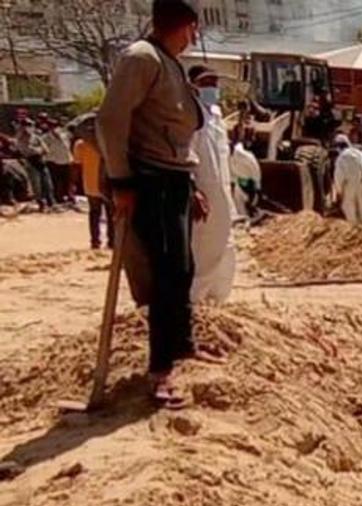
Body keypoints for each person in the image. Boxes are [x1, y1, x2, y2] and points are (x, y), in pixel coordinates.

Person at [97, 0, 208, 409]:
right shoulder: (142, 58)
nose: (195, 37)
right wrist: (121, 179)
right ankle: (160, 371)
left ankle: (182, 346)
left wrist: (190, 185)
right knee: (164, 275)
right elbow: (110, 121)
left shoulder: (169, 61)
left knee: (182, 269)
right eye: (194, 29)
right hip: (150, 181)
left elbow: (177, 134)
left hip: (174, 179)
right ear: (186, 26)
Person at [187, 65, 236, 304]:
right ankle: (194, 304)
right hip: (204, 193)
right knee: (204, 250)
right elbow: (186, 155)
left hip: (223, 193)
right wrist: (193, 190)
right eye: (207, 82)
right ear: (194, 85)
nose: (212, 88)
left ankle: (217, 302)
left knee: (226, 249)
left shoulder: (216, 116)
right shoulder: (190, 114)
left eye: (215, 83)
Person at [73, 129, 112, 249]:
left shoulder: (81, 144)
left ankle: (95, 241)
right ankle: (112, 240)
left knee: (94, 213)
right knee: (110, 214)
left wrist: (73, 183)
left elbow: (76, 165)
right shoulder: (109, 142)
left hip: (90, 184)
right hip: (108, 184)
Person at [15, 118, 55, 211]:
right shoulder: (20, 138)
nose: (28, 127)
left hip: (41, 161)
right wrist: (38, 150)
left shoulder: (36, 137)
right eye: (25, 125)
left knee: (48, 183)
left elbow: (46, 149)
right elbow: (27, 150)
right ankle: (41, 203)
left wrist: (38, 150)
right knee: (36, 185)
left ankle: (51, 202)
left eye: (29, 125)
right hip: (31, 162)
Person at [332, 133, 362, 227]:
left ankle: (354, 231)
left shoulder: (341, 158)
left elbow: (339, 176)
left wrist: (339, 191)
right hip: (360, 184)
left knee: (349, 209)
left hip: (348, 186)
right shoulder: (359, 154)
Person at [42, 119, 75, 206]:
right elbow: (44, 150)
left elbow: (70, 139)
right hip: (54, 162)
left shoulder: (65, 135)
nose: (55, 128)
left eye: (56, 126)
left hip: (67, 160)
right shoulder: (46, 138)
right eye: (52, 126)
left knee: (68, 181)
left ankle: (70, 197)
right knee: (56, 181)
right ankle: (58, 197)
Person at [230, 141, 261, 220]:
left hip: (250, 184)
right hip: (239, 184)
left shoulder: (246, 156)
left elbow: (255, 170)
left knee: (251, 202)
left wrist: (257, 186)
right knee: (239, 207)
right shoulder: (228, 157)